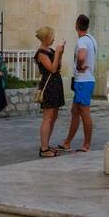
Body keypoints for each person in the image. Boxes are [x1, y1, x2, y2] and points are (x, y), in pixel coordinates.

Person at [58, 14, 97, 153]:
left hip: (83, 81)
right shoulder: (91, 39)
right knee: (75, 111)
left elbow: (81, 56)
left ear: (76, 26)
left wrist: (80, 65)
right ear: (87, 26)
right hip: (87, 80)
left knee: (84, 112)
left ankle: (86, 145)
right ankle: (67, 142)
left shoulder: (82, 41)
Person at [34, 26, 65, 157]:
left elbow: (58, 66)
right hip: (49, 87)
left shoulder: (50, 50)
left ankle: (46, 144)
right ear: (46, 37)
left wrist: (60, 54)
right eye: (52, 36)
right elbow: (52, 69)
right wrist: (57, 53)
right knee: (47, 117)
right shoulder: (41, 53)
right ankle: (44, 149)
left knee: (53, 116)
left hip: (56, 85)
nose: (53, 38)